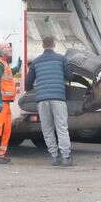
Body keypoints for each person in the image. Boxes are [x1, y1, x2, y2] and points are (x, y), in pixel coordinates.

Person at [25, 36, 73, 167]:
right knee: (61, 127)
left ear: (42, 46)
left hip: (42, 99)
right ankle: (66, 157)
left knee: (47, 129)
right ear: (54, 45)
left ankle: (55, 156)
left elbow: (27, 84)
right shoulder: (62, 59)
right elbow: (70, 76)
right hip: (58, 97)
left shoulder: (36, 62)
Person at [0, 42, 21, 164]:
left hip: (4, 102)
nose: (10, 48)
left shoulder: (1, 61)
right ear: (1, 49)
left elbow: (6, 74)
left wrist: (17, 67)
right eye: (7, 47)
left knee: (6, 128)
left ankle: (0, 154)